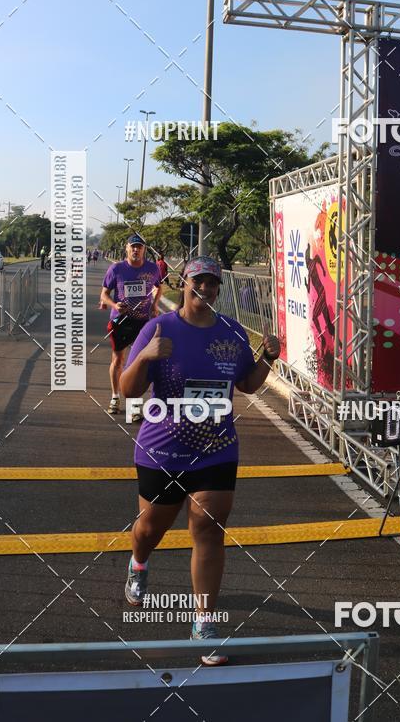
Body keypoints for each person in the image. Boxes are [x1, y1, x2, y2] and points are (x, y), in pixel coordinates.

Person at [119, 255, 280, 665]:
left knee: (208, 529)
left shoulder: (231, 331)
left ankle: (203, 622)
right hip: (163, 449)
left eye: (212, 283)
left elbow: (245, 384)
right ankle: (139, 564)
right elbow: (128, 392)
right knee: (150, 527)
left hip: (216, 447)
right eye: (198, 282)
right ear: (184, 284)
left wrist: (268, 359)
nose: (205, 289)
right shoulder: (159, 328)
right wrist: (145, 357)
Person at [100, 234, 162, 421]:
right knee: (118, 360)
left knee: (139, 363)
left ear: (144, 250)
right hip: (121, 321)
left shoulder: (152, 269)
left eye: (139, 247)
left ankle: (134, 406)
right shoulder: (117, 268)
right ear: (126, 248)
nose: (136, 250)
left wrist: (154, 305)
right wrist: (114, 305)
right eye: (133, 246)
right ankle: (115, 397)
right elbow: (104, 294)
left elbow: (159, 287)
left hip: (143, 322)